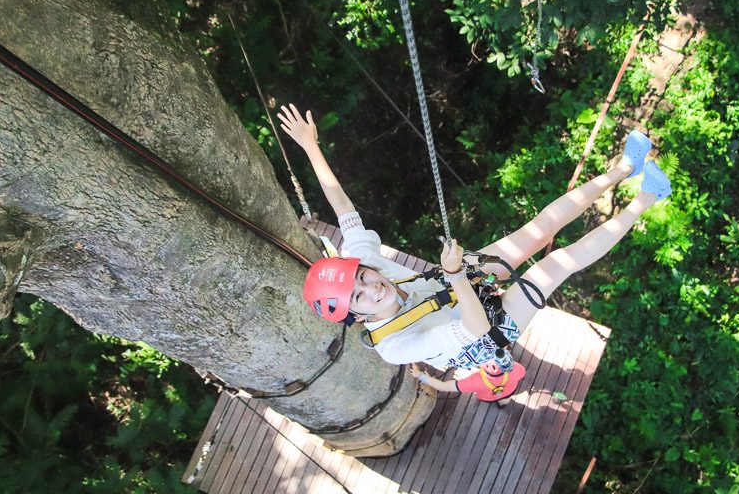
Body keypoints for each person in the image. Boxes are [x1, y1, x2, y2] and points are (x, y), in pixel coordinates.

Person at [278, 103, 670, 373]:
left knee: (536, 232)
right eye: (359, 297)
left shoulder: (366, 261)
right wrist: (455, 277)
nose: (370, 285)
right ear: (358, 317)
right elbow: (475, 328)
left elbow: (342, 208)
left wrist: (311, 147)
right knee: (555, 262)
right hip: (480, 334)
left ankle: (624, 167)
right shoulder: (394, 347)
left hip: (448, 284)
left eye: (361, 277)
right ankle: (646, 199)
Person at [410, 361, 526, 405]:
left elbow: (443, 386)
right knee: (504, 397)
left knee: (491, 397)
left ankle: (499, 400)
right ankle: (503, 402)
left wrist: (419, 375)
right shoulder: (515, 368)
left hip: (486, 395)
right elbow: (522, 373)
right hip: (509, 389)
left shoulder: (474, 382)